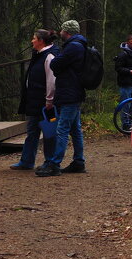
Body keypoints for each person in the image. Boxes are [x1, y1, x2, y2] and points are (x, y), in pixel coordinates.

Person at [36, 19, 88, 176]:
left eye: (63, 31)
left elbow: (56, 64)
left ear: (68, 32)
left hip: (69, 92)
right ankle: (79, 161)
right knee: (75, 129)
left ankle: (54, 163)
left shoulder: (73, 47)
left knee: (62, 129)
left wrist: (59, 62)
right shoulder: (80, 45)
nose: (60, 33)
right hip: (73, 91)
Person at [11, 29, 60, 170]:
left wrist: (49, 100)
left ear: (41, 41)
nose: (32, 41)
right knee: (32, 131)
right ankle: (27, 161)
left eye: (34, 38)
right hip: (34, 100)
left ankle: (50, 161)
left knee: (49, 132)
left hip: (45, 103)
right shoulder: (38, 54)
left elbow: (52, 80)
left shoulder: (49, 56)